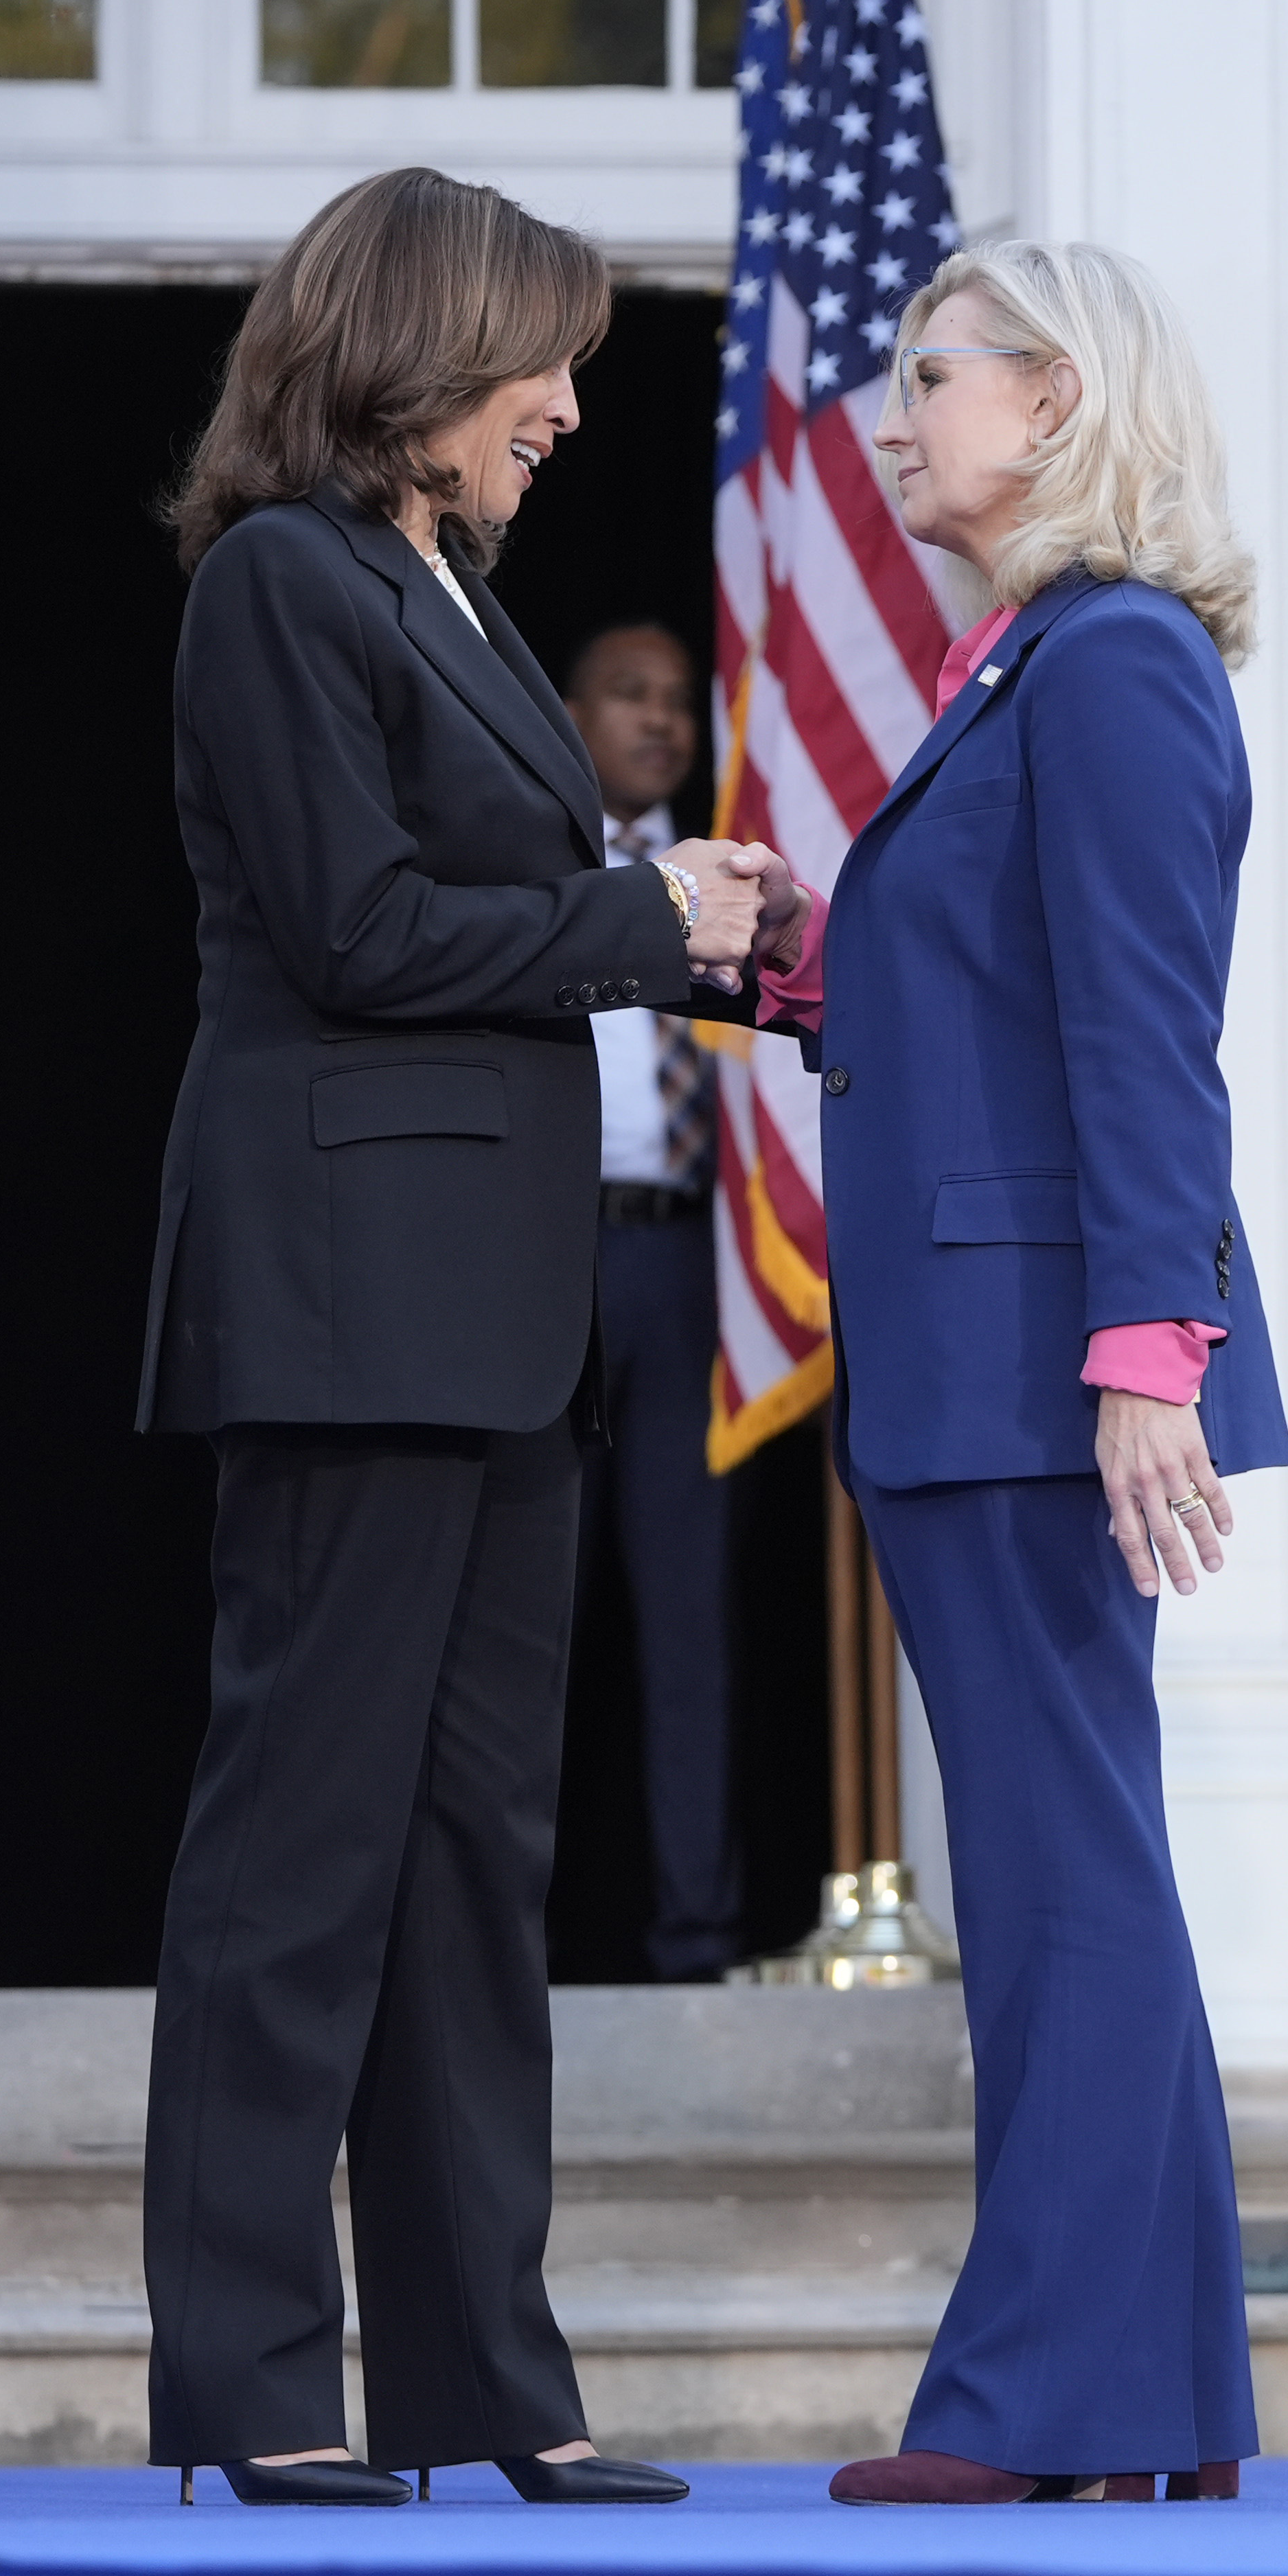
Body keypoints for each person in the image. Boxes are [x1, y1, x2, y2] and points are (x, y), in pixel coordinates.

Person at [135, 165, 777, 2511]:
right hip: (345, 1308)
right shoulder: (283, 584)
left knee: (473, 1872)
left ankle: (488, 2380)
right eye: (547, 361)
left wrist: (693, 924)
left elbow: (491, 910)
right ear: (423, 348)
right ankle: (252, 2380)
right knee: (298, 1865)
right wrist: (638, 915)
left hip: (496, 1322)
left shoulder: (457, 597)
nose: (571, 407)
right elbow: (362, 929)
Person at [731, 240, 1288, 2507]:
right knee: (1080, 1869)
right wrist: (787, 961)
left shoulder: (1116, 662)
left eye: (930, 375)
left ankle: (1047, 2401)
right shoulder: (1029, 666)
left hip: (1047, 1367)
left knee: (1061, 1879)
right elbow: (972, 1004)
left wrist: (1148, 1357)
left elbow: (1145, 1038)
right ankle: (1157, 2402)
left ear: (1055, 404)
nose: (890, 416)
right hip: (996, 1350)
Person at [561, 620, 746, 1983]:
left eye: (679, 701)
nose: (660, 721)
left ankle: (698, 1939)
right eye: (630, 696)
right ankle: (502, 1938)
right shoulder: (528, 861)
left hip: (686, 1265)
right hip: (547, 1262)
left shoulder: (736, 873)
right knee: (526, 1609)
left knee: (689, 1613)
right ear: (571, 713)